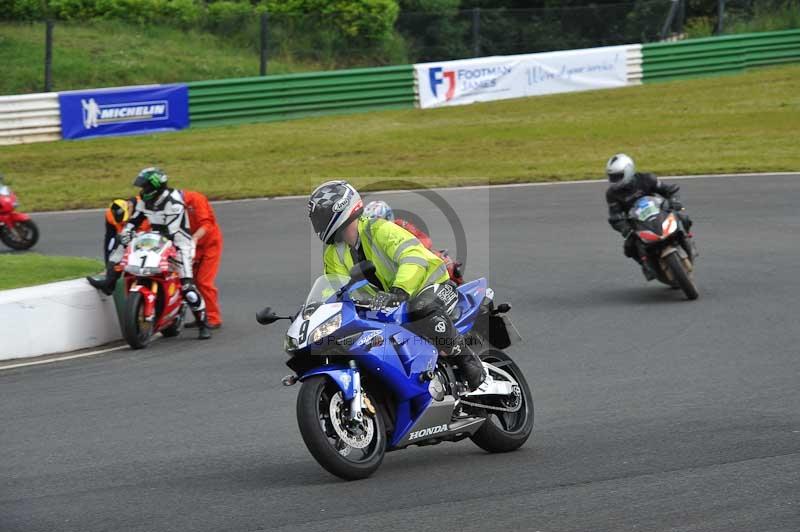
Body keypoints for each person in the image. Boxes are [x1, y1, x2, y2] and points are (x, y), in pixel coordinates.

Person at [308, 180, 485, 391]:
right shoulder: (333, 252)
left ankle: (468, 362)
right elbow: (333, 287)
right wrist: (319, 309)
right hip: (387, 302)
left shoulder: (379, 229)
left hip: (429, 285)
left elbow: (413, 257)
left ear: (340, 208)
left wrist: (399, 290)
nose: (317, 222)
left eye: (320, 215)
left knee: (420, 308)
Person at [122, 167, 212, 340]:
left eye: (145, 187)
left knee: (187, 287)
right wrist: (126, 233)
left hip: (179, 244)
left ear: (155, 187)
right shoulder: (144, 201)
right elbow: (135, 220)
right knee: (135, 268)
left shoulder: (174, 201)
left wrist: (142, 236)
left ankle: (203, 322)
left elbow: (170, 231)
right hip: (156, 241)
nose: (142, 191)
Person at [605, 154, 694, 280]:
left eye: (617, 176)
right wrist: (625, 229)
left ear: (628, 171)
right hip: (637, 222)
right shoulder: (612, 194)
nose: (614, 180)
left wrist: (674, 201)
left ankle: (687, 239)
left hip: (659, 212)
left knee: (683, 217)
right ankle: (646, 265)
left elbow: (670, 189)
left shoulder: (646, 179)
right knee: (629, 247)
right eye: (611, 177)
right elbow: (615, 216)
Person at [363, 200, 464, 285]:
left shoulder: (401, 225)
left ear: (387, 218)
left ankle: (459, 284)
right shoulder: (365, 237)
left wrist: (409, 249)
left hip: (412, 255)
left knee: (442, 261)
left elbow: (426, 241)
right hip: (390, 265)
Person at [86, 198, 150, 295]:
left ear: (130, 208)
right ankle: (109, 284)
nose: (124, 224)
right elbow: (109, 240)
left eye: (126, 221)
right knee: (117, 242)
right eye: (121, 223)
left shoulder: (145, 207)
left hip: (150, 242)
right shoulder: (110, 215)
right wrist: (108, 267)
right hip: (128, 242)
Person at [182, 189, 223, 329]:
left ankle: (213, 318)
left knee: (203, 281)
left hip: (209, 244)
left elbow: (207, 224)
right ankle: (200, 315)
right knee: (188, 282)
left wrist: (195, 238)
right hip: (188, 246)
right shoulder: (167, 205)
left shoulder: (196, 199)